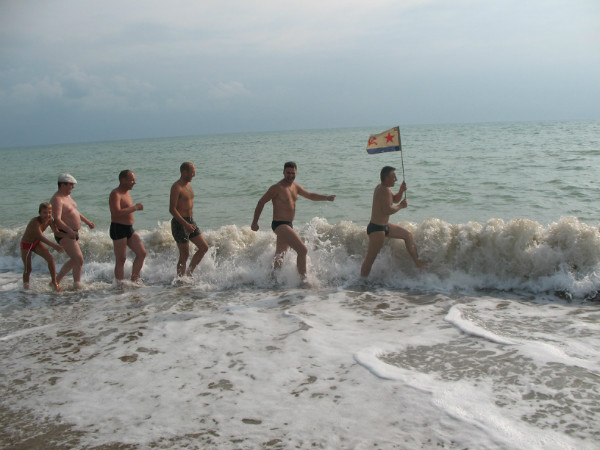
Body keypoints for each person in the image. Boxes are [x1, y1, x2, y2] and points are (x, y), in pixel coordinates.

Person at [251, 161, 336, 279]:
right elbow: (261, 202)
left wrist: (326, 198)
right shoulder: (277, 188)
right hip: (279, 224)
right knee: (302, 250)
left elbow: (310, 196)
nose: (290, 175)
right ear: (283, 172)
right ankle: (303, 280)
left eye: (293, 173)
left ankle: (272, 280)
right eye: (288, 173)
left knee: (280, 256)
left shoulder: (295, 186)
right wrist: (255, 222)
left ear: (296, 173)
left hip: (288, 224)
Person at [360, 166, 425, 277]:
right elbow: (388, 210)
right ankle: (362, 282)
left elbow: (394, 199)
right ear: (386, 178)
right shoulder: (383, 190)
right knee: (369, 261)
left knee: (407, 235)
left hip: (384, 226)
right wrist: (401, 206)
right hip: (377, 229)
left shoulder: (385, 188)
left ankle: (418, 264)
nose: (396, 179)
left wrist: (401, 191)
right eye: (394, 177)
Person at [50, 173, 95, 288]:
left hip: (73, 232)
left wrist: (87, 221)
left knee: (75, 260)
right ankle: (76, 285)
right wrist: (70, 231)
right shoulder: (57, 199)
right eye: (71, 185)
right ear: (62, 185)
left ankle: (56, 282)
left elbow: (74, 212)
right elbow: (57, 220)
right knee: (79, 259)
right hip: (65, 233)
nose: (73, 187)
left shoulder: (67, 196)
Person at [169, 162, 209, 277]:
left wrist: (189, 223)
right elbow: (172, 209)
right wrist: (185, 224)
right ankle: (180, 280)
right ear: (184, 172)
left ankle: (189, 273)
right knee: (184, 255)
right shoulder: (177, 187)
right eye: (192, 172)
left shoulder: (188, 186)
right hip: (180, 223)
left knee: (204, 247)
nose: (194, 175)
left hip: (190, 221)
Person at [109, 170, 147, 284]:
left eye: (134, 180)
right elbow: (116, 213)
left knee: (142, 253)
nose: (134, 182)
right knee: (121, 259)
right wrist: (135, 208)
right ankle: (119, 285)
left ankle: (134, 280)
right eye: (132, 180)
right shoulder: (115, 194)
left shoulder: (127, 193)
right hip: (118, 228)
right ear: (123, 180)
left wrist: (134, 208)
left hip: (129, 228)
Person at [20, 202, 65, 291]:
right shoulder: (35, 222)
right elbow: (40, 237)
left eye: (49, 212)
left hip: (36, 243)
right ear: (39, 213)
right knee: (28, 269)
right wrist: (55, 246)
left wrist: (70, 234)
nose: (47, 215)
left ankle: (54, 283)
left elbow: (56, 232)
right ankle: (26, 288)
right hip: (26, 244)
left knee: (50, 259)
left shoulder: (50, 220)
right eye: (44, 212)